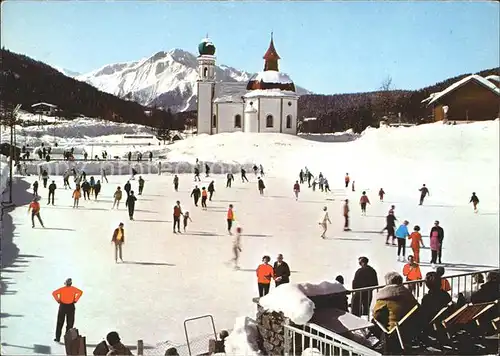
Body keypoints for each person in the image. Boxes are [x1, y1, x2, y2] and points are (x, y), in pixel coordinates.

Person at [52, 278, 83, 342]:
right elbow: (80, 292)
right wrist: (75, 300)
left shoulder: (62, 289)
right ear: (71, 284)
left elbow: (54, 293)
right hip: (71, 306)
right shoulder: (74, 289)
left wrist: (58, 300)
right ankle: (68, 338)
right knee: (70, 323)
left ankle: (57, 338)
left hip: (62, 306)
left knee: (60, 323)